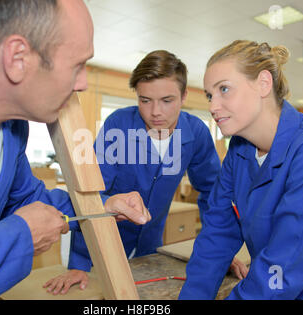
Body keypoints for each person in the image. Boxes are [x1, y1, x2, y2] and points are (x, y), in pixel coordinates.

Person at [0, 0, 150, 300]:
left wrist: (100, 209)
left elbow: (24, 199)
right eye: (77, 66)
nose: (84, 83)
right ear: (17, 58)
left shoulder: (13, 127)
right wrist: (19, 238)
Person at [44, 50, 249, 295]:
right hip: (103, 244)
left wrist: (220, 252)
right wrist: (79, 264)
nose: (155, 112)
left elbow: (213, 195)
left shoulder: (197, 133)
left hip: (151, 245)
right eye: (145, 100)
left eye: (167, 100)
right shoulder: (118, 125)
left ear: (184, 96)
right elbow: (90, 194)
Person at [179, 40, 303, 299]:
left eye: (224, 89)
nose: (213, 107)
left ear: (263, 83)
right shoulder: (239, 150)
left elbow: (283, 267)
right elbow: (217, 234)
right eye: (209, 95)